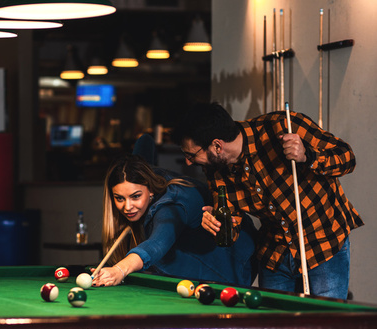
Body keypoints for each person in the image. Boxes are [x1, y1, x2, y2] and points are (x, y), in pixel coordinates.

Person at [174, 102, 362, 299]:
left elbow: (347, 158)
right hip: (276, 253)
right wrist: (219, 225)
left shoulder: (283, 127)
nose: (188, 162)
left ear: (217, 146)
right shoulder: (214, 168)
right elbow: (233, 224)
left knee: (327, 324)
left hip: (322, 243)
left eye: (191, 154)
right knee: (275, 326)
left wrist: (308, 155)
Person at [91, 154, 257, 287]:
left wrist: (119, 270)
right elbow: (145, 145)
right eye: (119, 198)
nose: (127, 207)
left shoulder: (172, 205)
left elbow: (158, 243)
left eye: (135, 196)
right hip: (193, 278)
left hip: (234, 265)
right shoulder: (143, 174)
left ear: (149, 189)